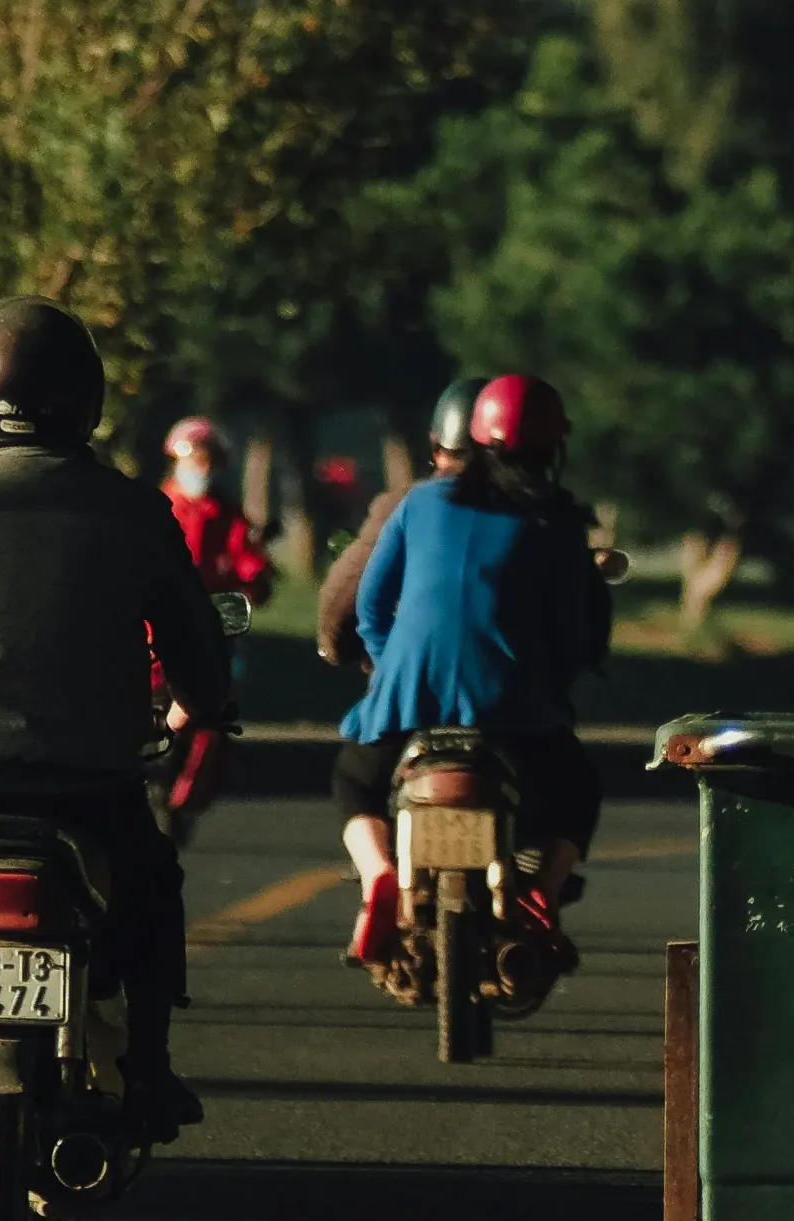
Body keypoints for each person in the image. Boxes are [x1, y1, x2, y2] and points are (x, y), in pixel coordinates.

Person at [0, 299, 236, 1148]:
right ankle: (148, 1064)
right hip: (91, 774)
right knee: (147, 884)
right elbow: (193, 645)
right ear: (88, 404)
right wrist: (203, 702)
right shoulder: (137, 513)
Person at [334, 373, 610, 967]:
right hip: (512, 709)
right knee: (576, 788)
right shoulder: (556, 522)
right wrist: (548, 684)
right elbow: (574, 632)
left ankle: (378, 872)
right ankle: (543, 892)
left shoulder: (422, 501)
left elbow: (372, 606)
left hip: (406, 699)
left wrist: (394, 672)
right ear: (552, 448)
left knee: (355, 780)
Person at [316, 375, 482, 675]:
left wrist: (338, 644)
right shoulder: (545, 514)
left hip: (415, 687)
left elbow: (346, 596)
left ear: (437, 446)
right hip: (518, 701)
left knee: (361, 723)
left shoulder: (408, 506)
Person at [156, 417, 274, 604]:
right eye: (194, 461)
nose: (202, 470)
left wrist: (256, 580)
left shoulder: (229, 516)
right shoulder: (154, 510)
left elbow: (247, 562)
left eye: (209, 462)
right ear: (175, 463)